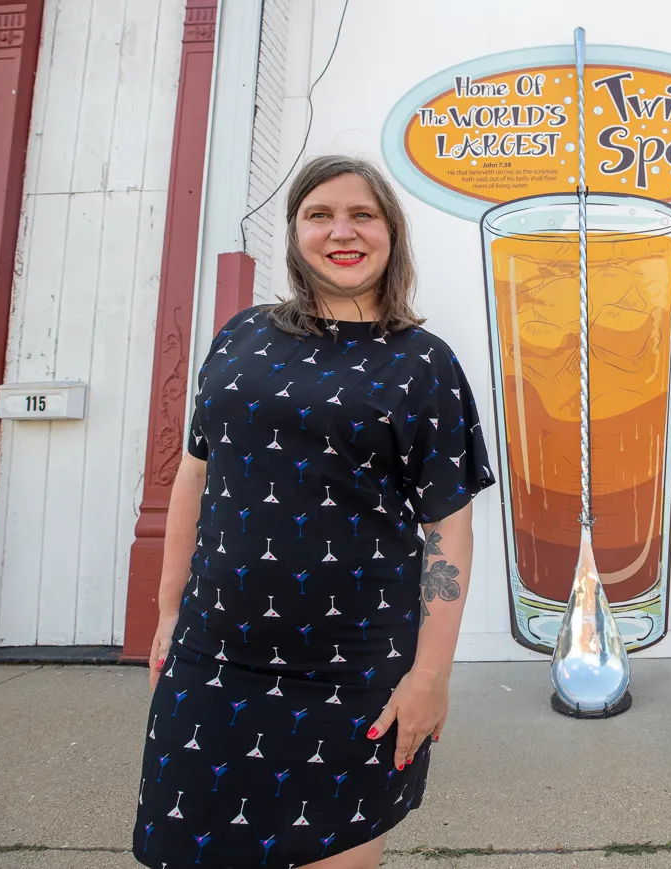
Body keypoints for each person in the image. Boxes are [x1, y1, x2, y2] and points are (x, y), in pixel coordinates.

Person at [132, 155, 494, 869]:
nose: (342, 231)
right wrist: (169, 609)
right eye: (319, 214)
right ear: (296, 233)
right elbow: (195, 474)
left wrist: (430, 676)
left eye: (362, 214)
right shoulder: (240, 337)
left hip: (355, 674)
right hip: (215, 654)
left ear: (391, 232)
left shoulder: (423, 363)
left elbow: (447, 527)